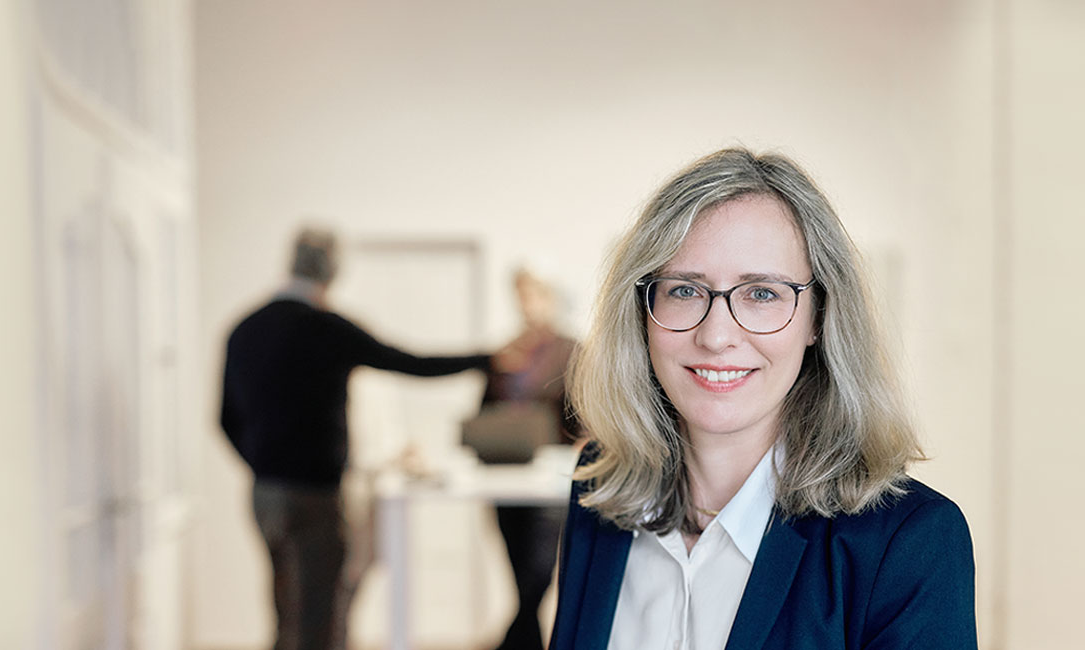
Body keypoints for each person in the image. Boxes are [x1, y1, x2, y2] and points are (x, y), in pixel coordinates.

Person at [548, 148, 976, 650]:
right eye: (684, 290)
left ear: (819, 318)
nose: (716, 336)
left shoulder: (908, 543)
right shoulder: (600, 490)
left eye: (762, 293)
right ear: (642, 311)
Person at [221, 226, 497, 650]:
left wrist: (263, 463)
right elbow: (409, 361)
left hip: (265, 493)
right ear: (331, 271)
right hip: (316, 493)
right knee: (320, 613)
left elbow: (225, 419)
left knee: (283, 603)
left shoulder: (245, 329)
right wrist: (487, 359)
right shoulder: (326, 328)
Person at [480, 267, 582, 650]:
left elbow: (586, 411)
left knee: (537, 574)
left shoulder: (571, 351)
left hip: (550, 478)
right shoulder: (507, 351)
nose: (527, 304)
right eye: (521, 295)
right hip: (505, 474)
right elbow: (485, 409)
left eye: (534, 294)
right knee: (519, 575)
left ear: (551, 297)